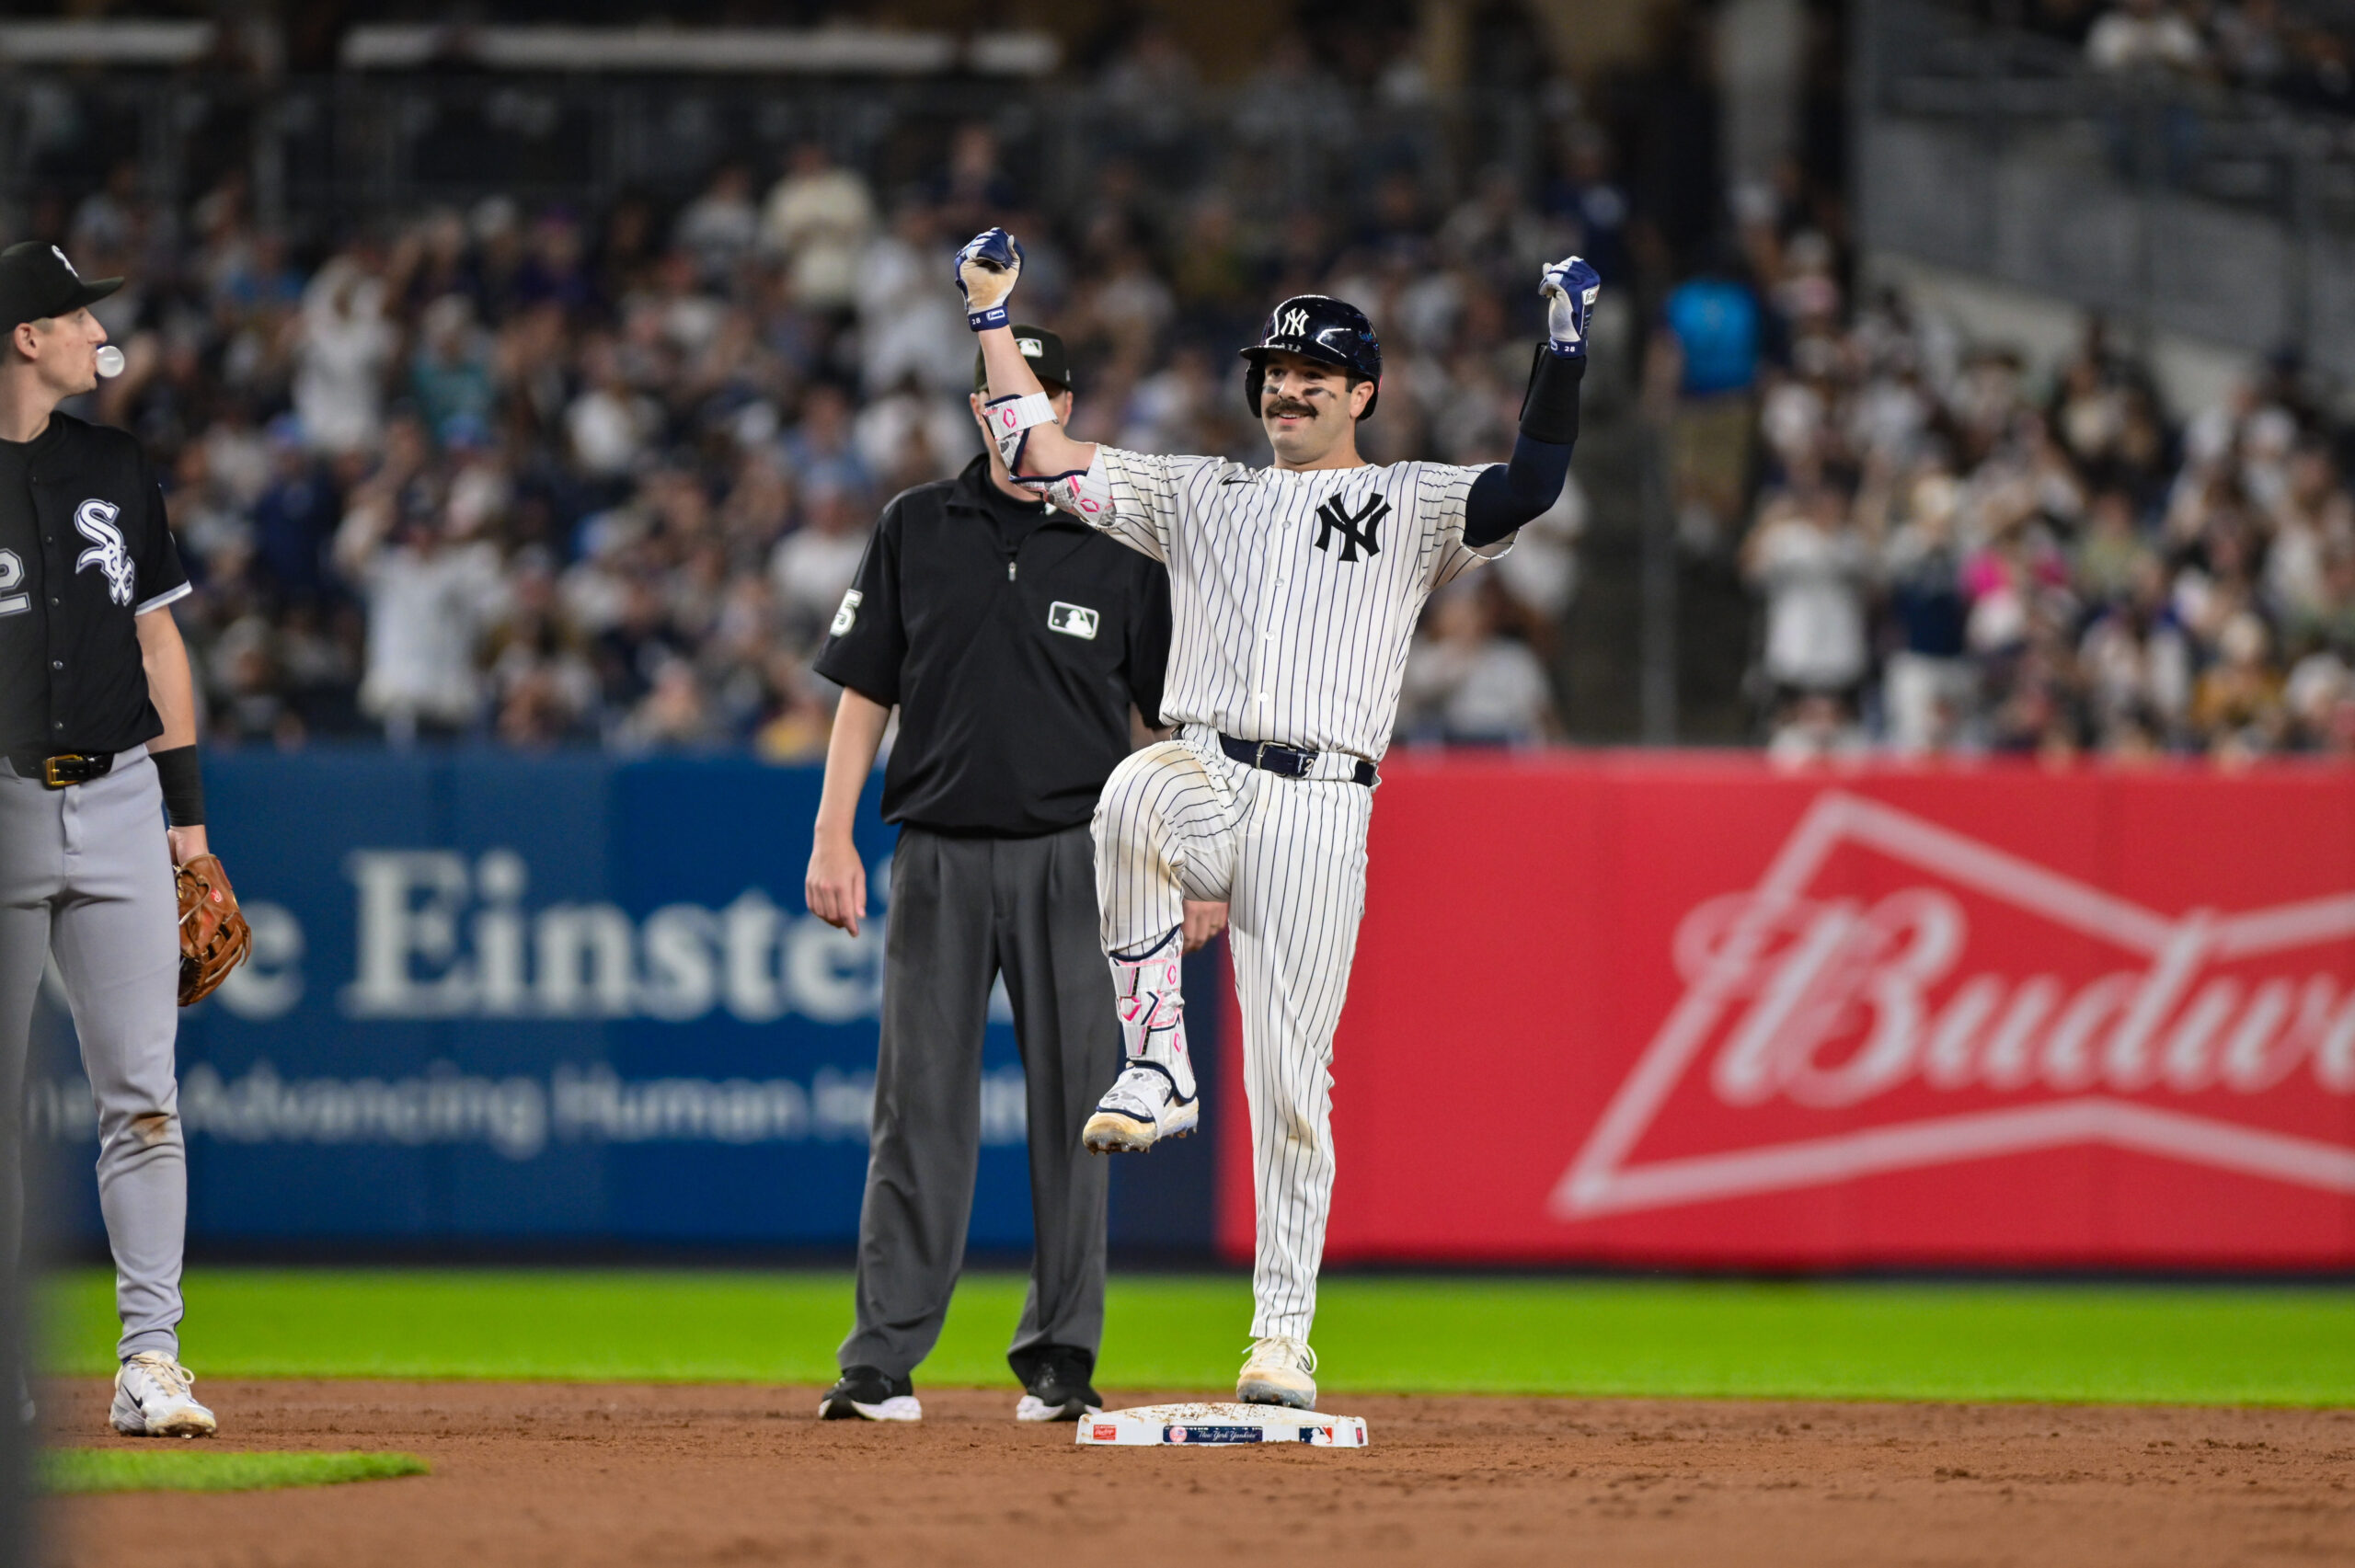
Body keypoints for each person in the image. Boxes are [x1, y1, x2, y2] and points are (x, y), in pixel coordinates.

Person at [959, 227, 1595, 1409]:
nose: (1286, 384)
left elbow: (1532, 482)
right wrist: (993, 318)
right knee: (1132, 788)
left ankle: (1281, 1341)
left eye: (1312, 371)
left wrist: (1562, 349)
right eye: (1273, 368)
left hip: (1321, 804)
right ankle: (1156, 1064)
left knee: (1295, 1088)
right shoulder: (1198, 491)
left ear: (1361, 391)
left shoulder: (1406, 502)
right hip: (1207, 768)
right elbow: (1033, 450)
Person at [804, 326, 1217, 1424]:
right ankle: (881, 1360)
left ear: (1063, 406)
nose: (1008, 416)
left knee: (1080, 1114)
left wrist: (1199, 863)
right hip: (936, 849)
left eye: (1029, 397)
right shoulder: (915, 525)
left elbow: (1169, 722)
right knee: (915, 1110)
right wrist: (830, 831)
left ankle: (1059, 1356)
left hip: (1079, 860)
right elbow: (863, 690)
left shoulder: (1124, 541)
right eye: (993, 398)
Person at [0, 241, 230, 1436]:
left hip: (127, 800)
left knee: (143, 1095)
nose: (99, 329)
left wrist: (190, 829)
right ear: (24, 337)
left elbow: (160, 648)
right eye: (77, 311)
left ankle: (152, 1359)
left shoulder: (118, 464)